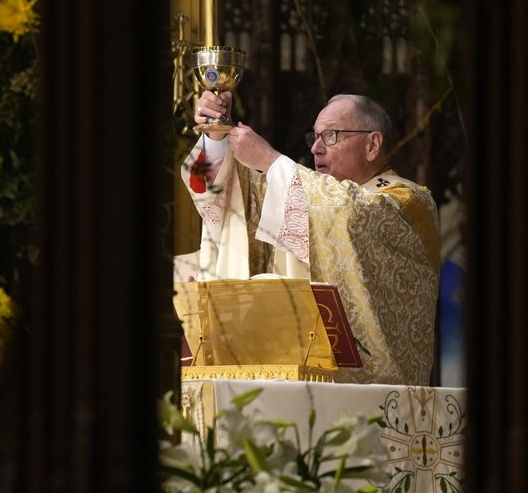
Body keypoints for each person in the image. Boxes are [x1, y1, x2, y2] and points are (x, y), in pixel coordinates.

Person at [180, 91, 440, 385]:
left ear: (373, 144)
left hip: (374, 397)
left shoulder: (408, 201)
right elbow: (225, 194)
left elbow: (351, 213)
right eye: (314, 137)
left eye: (331, 135)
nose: (316, 148)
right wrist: (217, 137)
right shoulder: (298, 194)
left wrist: (270, 160)